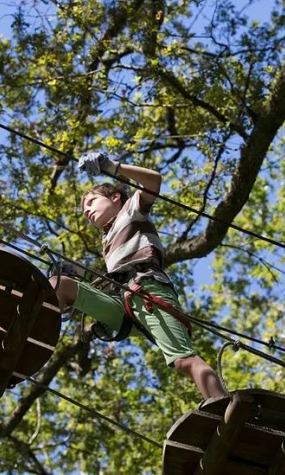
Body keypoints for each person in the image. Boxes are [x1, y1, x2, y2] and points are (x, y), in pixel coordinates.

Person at [50, 152, 225, 399]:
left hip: (148, 291)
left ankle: (221, 402)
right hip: (125, 303)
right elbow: (116, 276)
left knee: (183, 360)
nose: (87, 211)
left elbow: (153, 182)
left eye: (91, 202)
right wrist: (76, 272)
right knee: (61, 285)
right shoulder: (107, 241)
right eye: (84, 209)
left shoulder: (132, 210)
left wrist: (112, 167)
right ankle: (34, 327)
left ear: (115, 197)